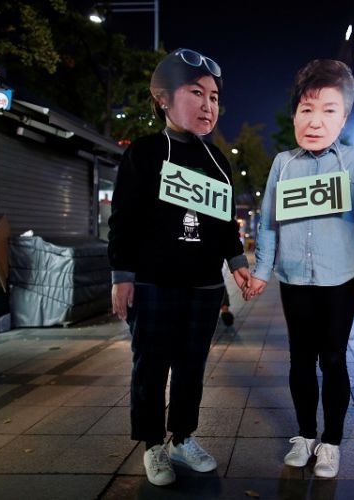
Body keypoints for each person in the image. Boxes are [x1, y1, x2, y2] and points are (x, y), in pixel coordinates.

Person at [244, 59, 354, 478]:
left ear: (344, 118)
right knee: (298, 359)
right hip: (294, 276)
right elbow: (269, 220)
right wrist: (261, 270)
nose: (315, 121)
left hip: (342, 276)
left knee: (333, 358)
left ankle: (331, 441)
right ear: (294, 114)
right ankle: (305, 434)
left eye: (329, 110)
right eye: (306, 110)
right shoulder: (282, 164)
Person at [108, 48, 251, 487]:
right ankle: (153, 445)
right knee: (150, 366)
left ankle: (182, 438)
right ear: (163, 99)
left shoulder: (218, 161)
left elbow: (225, 223)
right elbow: (124, 219)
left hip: (205, 286)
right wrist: (122, 278)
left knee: (192, 366)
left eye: (214, 96)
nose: (209, 105)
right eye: (196, 93)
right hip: (153, 284)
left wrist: (238, 263)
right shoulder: (146, 154)